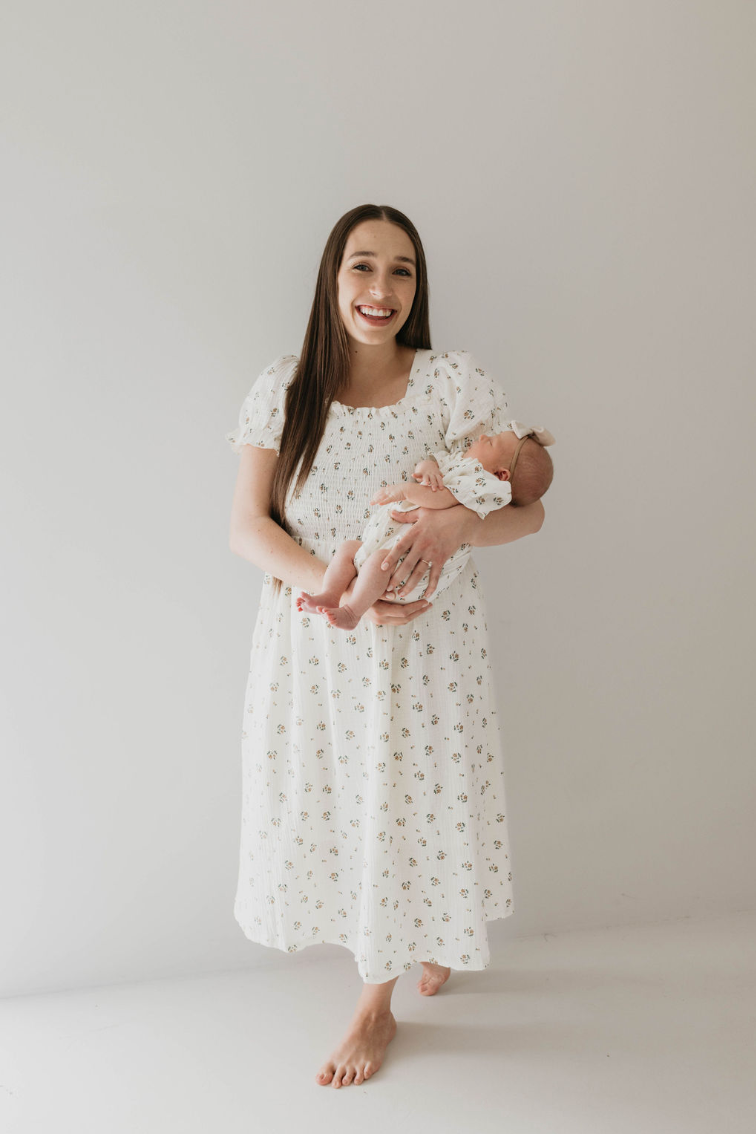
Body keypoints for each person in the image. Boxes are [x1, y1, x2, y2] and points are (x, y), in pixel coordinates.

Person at [226, 204, 546, 1089]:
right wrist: (337, 591)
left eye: (402, 269)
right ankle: (419, 935)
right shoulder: (283, 389)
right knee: (343, 808)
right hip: (316, 643)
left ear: (418, 286)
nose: (381, 287)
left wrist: (454, 531)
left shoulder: (453, 382)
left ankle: (377, 1004)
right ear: (332, 278)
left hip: (426, 652)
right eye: (362, 266)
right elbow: (247, 527)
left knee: (408, 808)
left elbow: (528, 509)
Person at [296, 423, 554, 629]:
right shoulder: (461, 465)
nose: (484, 436)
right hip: (386, 543)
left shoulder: (481, 486)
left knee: (379, 562)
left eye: (492, 442)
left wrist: (405, 491)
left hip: (408, 565)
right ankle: (330, 595)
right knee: (348, 549)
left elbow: (441, 498)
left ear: (501, 475)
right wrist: (428, 467)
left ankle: (352, 612)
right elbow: (430, 468)